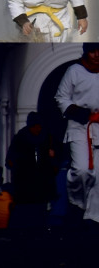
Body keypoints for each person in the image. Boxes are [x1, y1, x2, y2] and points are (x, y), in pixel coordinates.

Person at [55, 44, 99, 225]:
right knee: (81, 169)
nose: (96, 55)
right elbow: (61, 97)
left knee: (98, 177)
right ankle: (78, 203)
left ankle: (93, 219)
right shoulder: (74, 71)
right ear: (86, 53)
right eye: (92, 51)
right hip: (80, 127)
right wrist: (80, 113)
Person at [4, 111, 56, 230]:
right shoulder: (20, 138)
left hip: (41, 185)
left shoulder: (46, 137)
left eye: (39, 126)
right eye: (34, 126)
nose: (37, 129)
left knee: (39, 214)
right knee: (26, 215)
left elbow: (53, 161)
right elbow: (11, 159)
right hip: (24, 185)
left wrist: (52, 157)